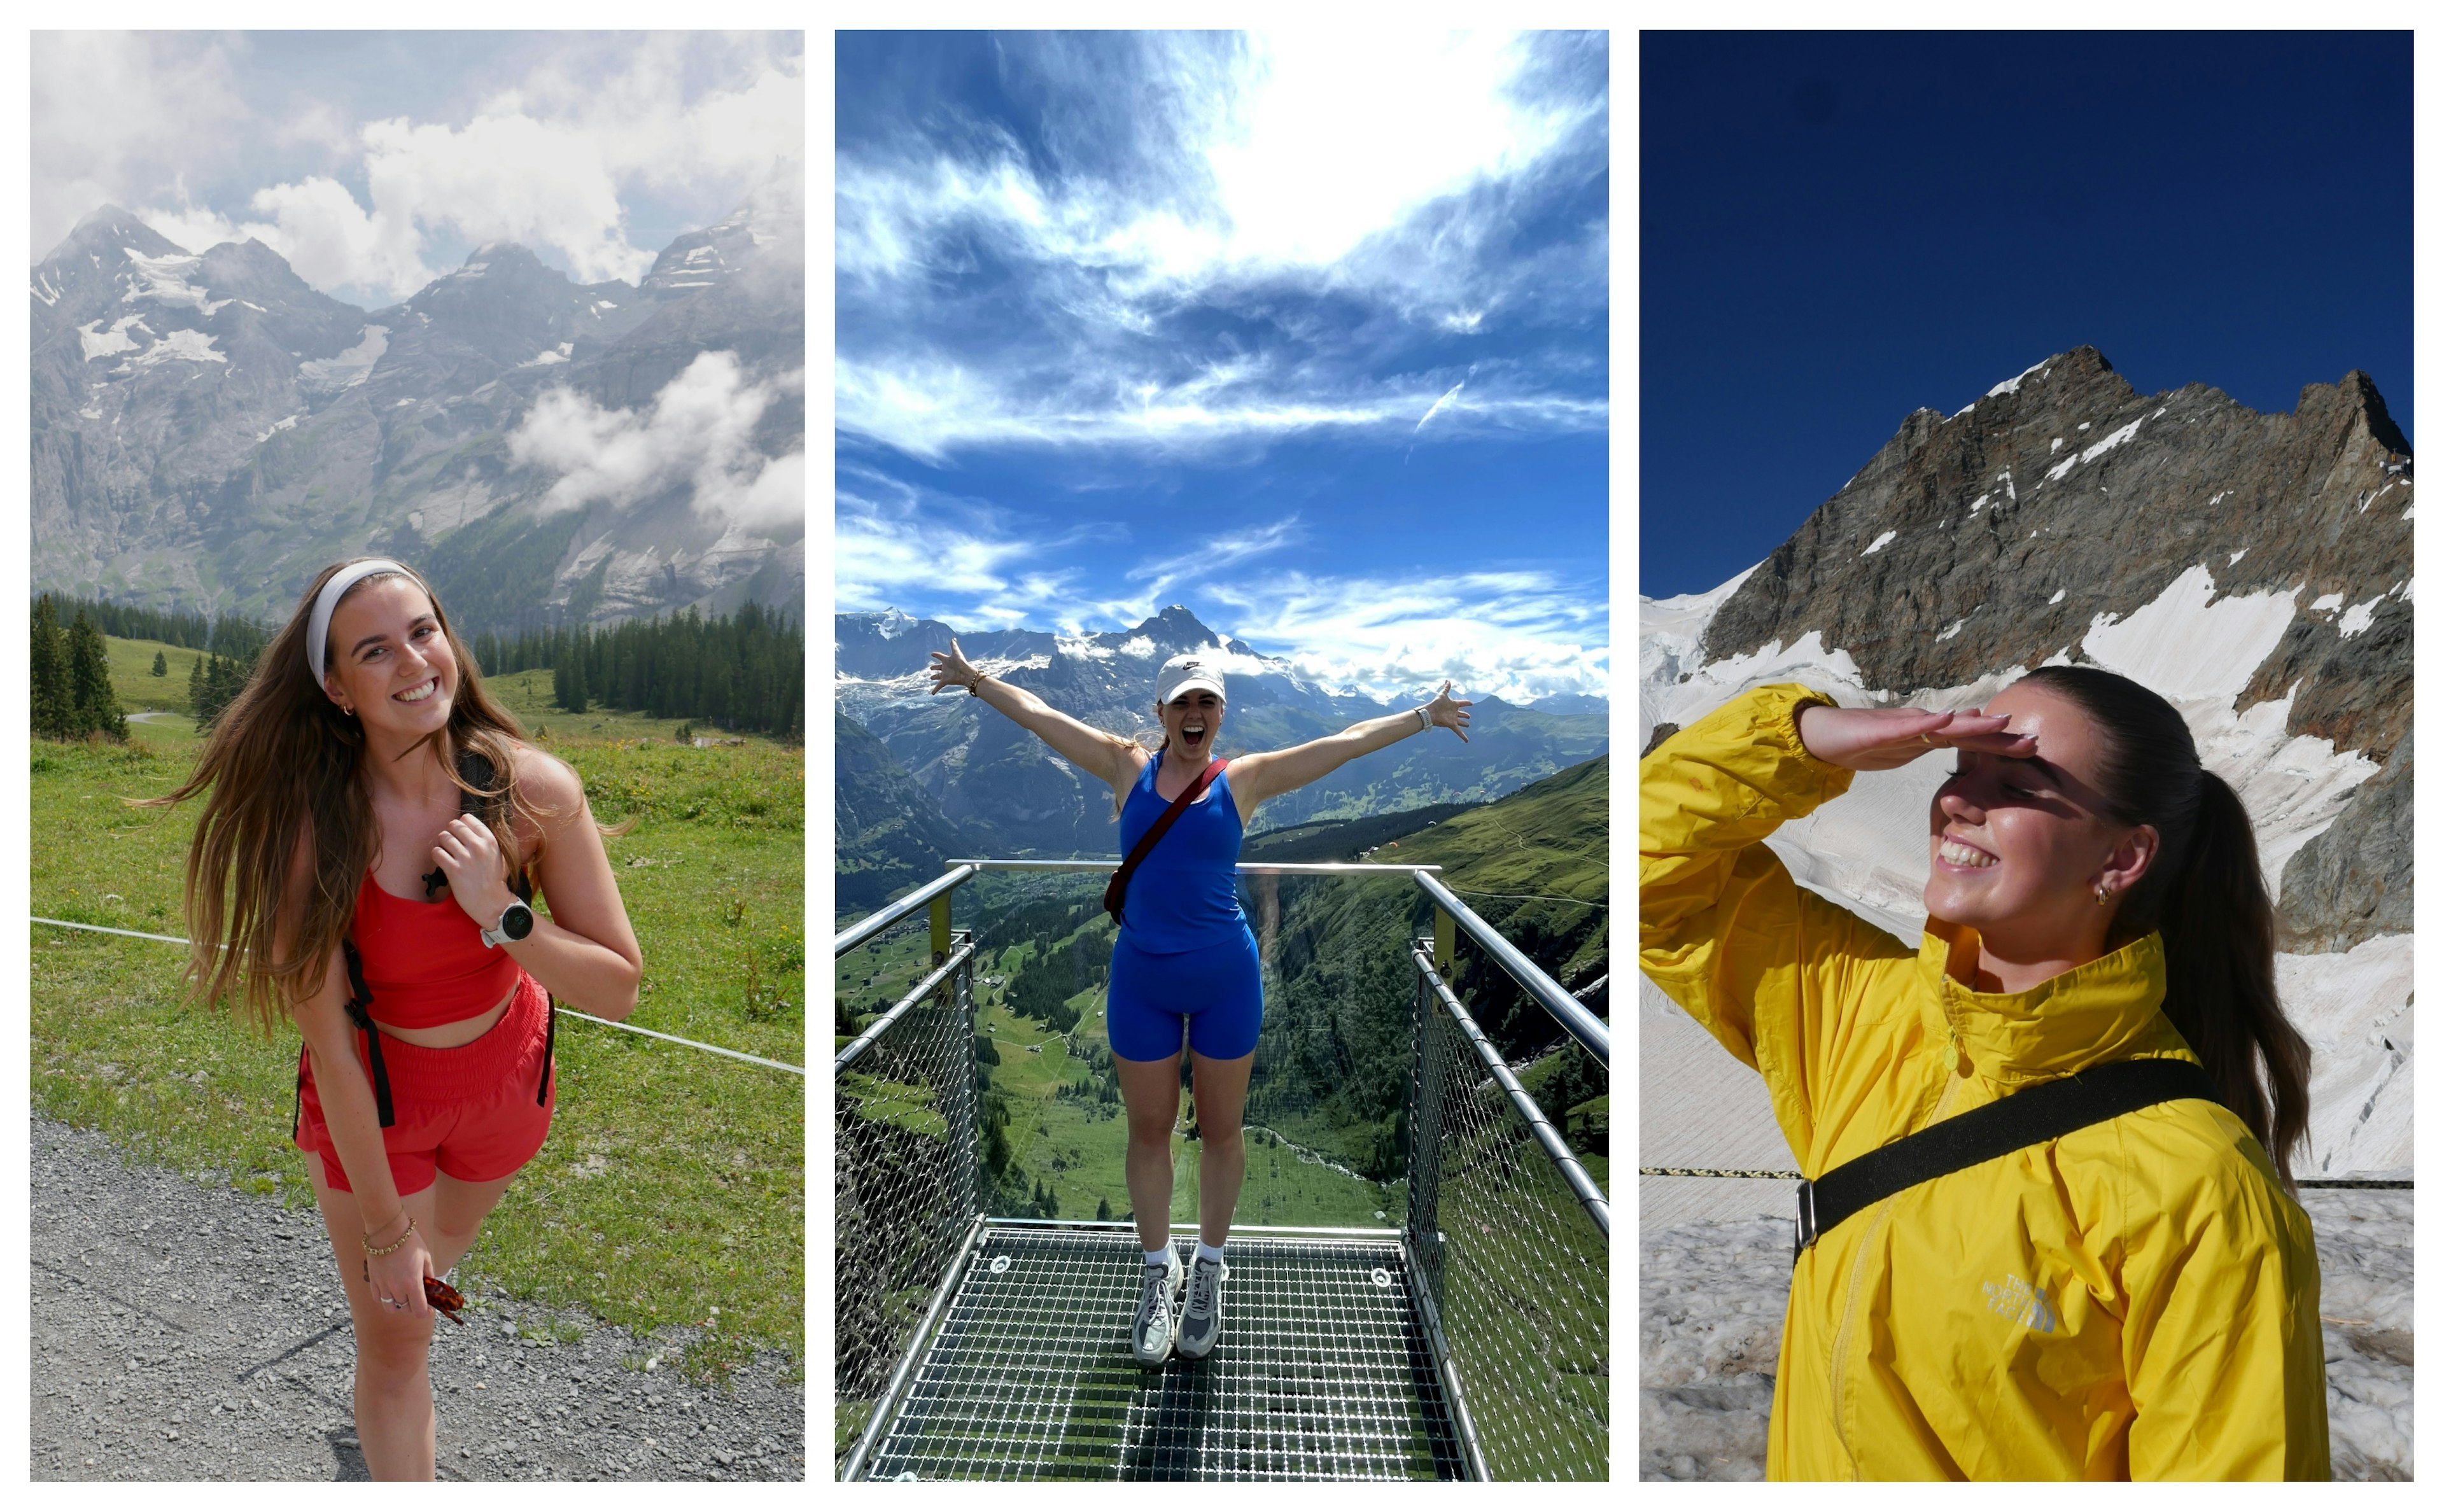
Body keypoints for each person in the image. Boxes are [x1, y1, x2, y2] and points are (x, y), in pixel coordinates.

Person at [1640, 669, 2328, 1480]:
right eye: (1958, 770)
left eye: (2017, 785)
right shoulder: (1864, 1013)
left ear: (2122, 856)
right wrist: (1805, 739)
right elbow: (1653, 870)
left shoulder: (2199, 1187)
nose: (1960, 802)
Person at [146, 558, 643, 1480]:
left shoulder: (535, 791)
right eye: (375, 650)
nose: (415, 662)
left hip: (508, 1089)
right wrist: (381, 1232)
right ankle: (387, 1370)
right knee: (399, 1339)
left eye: (423, 631)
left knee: (425, 1270)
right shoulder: (313, 827)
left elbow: (617, 988)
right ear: (337, 688)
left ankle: (392, 1301)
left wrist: (500, 910)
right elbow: (330, 1051)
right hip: (378, 1101)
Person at [928, 639, 1471, 1366]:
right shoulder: (1126, 765)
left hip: (1225, 980)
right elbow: (1039, 716)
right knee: (1147, 1132)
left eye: (1206, 702)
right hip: (1144, 983)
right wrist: (977, 681)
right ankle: (1159, 1271)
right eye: (1181, 702)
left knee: (1223, 1130)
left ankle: (1209, 1264)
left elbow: (1342, 745)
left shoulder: (1241, 780)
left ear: (1220, 713)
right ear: (1160, 711)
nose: (1193, 713)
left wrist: (1423, 717)